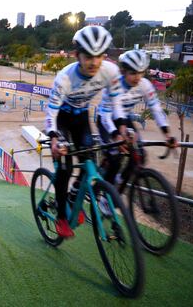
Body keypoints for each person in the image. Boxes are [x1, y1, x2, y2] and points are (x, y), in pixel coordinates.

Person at [45, 25, 127, 238]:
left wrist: (121, 130)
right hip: (62, 118)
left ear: (104, 56)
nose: (93, 62)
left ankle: (74, 195)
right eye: (88, 56)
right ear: (76, 55)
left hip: (81, 117)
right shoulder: (65, 77)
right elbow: (51, 113)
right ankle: (62, 216)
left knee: (89, 158)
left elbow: (117, 104)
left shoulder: (110, 71)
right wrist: (54, 139)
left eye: (98, 56)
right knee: (65, 166)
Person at [97, 49, 177, 187]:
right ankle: (104, 193)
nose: (137, 77)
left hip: (124, 118)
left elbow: (156, 109)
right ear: (123, 72)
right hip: (106, 119)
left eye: (141, 72)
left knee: (139, 155)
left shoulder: (144, 85)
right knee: (115, 157)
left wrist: (167, 134)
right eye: (133, 73)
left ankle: (118, 185)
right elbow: (105, 115)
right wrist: (116, 135)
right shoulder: (113, 85)